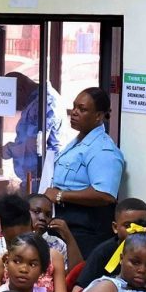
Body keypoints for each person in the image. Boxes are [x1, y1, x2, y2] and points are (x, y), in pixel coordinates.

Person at [44, 87, 125, 255]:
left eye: (82, 109)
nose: (74, 112)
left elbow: (105, 195)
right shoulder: (79, 141)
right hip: (67, 222)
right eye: (74, 107)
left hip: (88, 230)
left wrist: (60, 195)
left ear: (99, 116)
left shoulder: (103, 149)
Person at [73, 198, 146, 292]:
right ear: (115, 227)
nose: (134, 231)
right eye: (128, 226)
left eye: (141, 225)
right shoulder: (103, 252)